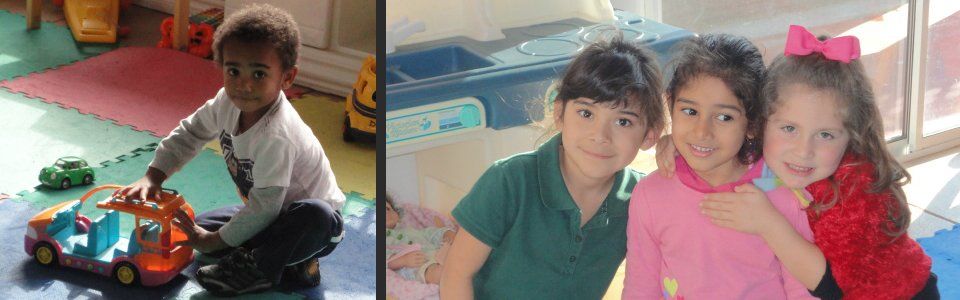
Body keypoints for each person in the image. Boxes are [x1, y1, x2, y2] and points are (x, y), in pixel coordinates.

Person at [660, 25, 938, 299]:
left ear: (852, 135)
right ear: (760, 123)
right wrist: (681, 144)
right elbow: (733, 149)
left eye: (826, 135)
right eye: (789, 129)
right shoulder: (777, 156)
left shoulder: (859, 195)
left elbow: (831, 288)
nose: (804, 151)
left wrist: (768, 223)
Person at [113, 4, 345, 296]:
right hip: (265, 212)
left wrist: (213, 241)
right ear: (220, 66)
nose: (244, 85)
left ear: (287, 77)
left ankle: (261, 270)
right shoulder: (225, 101)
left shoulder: (277, 134)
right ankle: (279, 260)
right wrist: (153, 176)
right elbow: (191, 132)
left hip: (315, 228)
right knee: (195, 228)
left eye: (259, 74)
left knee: (314, 214)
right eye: (234, 70)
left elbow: (267, 206)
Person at [439, 35, 665, 299]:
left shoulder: (641, 198)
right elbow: (456, 274)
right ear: (559, 114)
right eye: (586, 113)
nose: (600, 135)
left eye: (623, 122)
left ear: (649, 135)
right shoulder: (509, 181)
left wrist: (678, 153)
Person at [623, 33, 816, 299]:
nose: (702, 132)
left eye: (724, 117)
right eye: (690, 112)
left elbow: (802, 288)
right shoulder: (650, 195)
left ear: (752, 125)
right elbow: (641, 286)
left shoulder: (781, 192)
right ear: (670, 104)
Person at [385, 194, 455, 284]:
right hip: (418, 267)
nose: (386, 212)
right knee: (437, 274)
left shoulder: (409, 230)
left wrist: (445, 233)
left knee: (456, 240)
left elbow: (429, 233)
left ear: (397, 215)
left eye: (388, 208)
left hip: (437, 254)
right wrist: (403, 260)